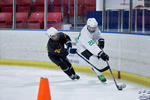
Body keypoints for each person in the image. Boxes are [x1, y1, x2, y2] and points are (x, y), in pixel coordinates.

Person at [76, 18, 109, 82]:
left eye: (94, 28)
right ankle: (100, 74)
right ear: (87, 26)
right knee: (93, 59)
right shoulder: (84, 34)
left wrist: (101, 39)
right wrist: (100, 53)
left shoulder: (94, 28)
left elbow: (98, 35)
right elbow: (91, 46)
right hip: (82, 47)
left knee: (97, 58)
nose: (93, 29)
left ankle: (95, 68)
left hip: (91, 44)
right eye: (91, 28)